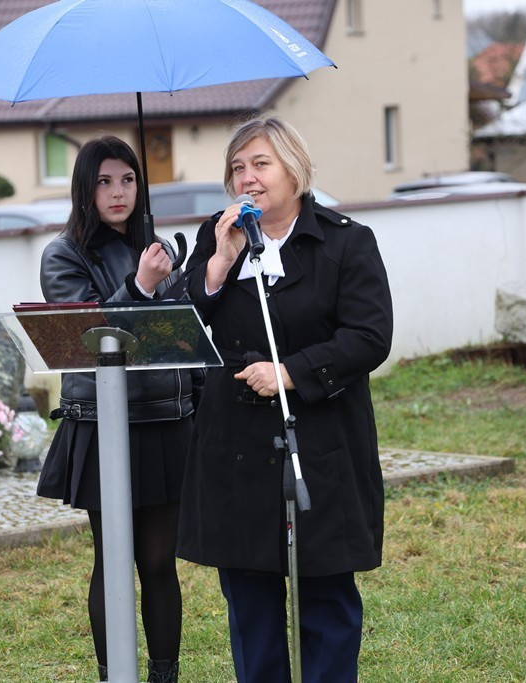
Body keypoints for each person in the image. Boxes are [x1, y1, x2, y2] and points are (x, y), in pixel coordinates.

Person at [176, 116, 393, 683]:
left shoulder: (346, 242)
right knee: (250, 605)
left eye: (260, 164)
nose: (247, 178)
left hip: (320, 444)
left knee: (326, 598)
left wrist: (291, 373)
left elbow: (369, 336)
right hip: (236, 450)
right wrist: (220, 262)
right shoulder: (216, 237)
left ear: (295, 169)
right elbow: (182, 330)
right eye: (237, 167)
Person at [37, 136, 195, 683]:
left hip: (163, 420)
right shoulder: (64, 255)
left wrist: (184, 278)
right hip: (104, 426)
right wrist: (140, 287)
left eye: (127, 179)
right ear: (85, 188)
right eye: (104, 181)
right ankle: (114, 675)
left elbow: (180, 336)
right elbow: (87, 337)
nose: (118, 192)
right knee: (113, 560)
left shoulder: (158, 245)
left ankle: (163, 675)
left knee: (158, 562)